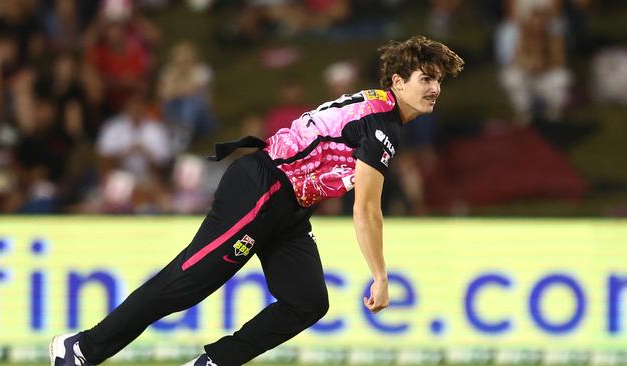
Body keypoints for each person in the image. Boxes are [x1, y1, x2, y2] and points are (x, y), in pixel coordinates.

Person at [49, 35, 464, 366]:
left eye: (438, 80)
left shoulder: (380, 113)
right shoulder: (380, 123)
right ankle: (80, 349)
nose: (434, 88)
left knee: (307, 302)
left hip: (288, 204)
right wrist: (380, 276)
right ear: (397, 82)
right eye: (425, 79)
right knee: (185, 283)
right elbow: (367, 210)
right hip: (262, 188)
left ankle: (213, 362)